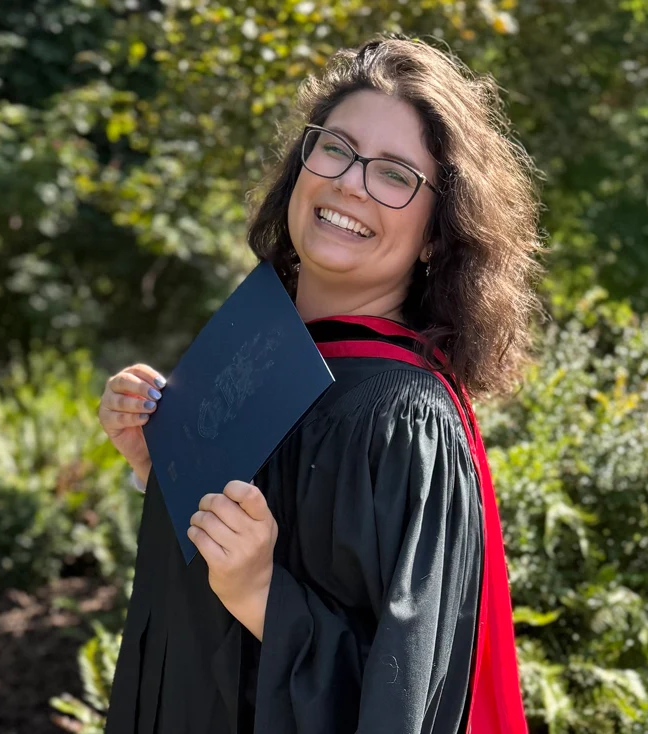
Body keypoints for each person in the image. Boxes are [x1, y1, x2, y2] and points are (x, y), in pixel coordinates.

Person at [97, 34, 545, 734]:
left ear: (437, 232)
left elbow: (405, 697)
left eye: (395, 175)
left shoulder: (402, 418)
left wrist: (259, 593)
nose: (350, 183)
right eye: (335, 148)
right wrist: (158, 467)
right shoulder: (262, 357)